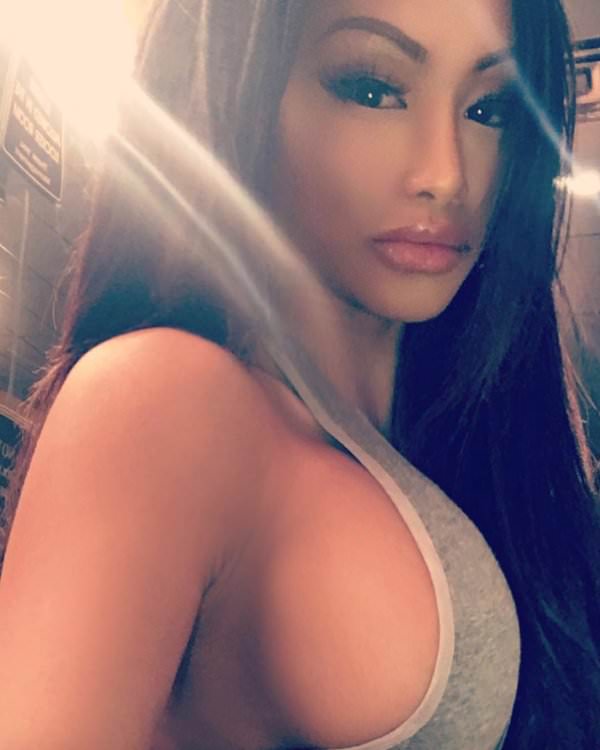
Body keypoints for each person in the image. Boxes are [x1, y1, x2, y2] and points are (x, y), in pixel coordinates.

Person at [0, 0, 599, 748]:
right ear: (240, 89)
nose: (445, 176)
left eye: (490, 109)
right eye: (371, 88)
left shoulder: (478, 444)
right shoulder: (163, 400)